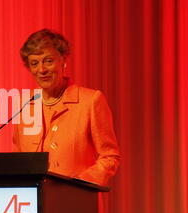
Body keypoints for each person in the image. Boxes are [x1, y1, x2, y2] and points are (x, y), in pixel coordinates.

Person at [13, 29, 120, 186]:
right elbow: (19, 157)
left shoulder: (90, 101)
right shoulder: (24, 104)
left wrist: (79, 184)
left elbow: (110, 156)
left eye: (48, 61)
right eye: (34, 63)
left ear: (63, 60)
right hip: (33, 203)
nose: (41, 70)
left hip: (76, 200)